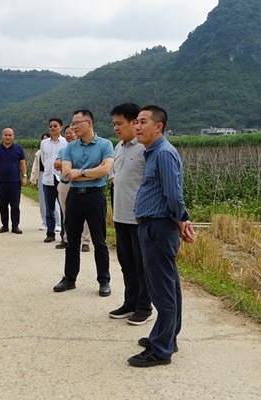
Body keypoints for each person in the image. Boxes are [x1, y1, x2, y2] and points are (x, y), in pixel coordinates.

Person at [128, 105, 195, 368]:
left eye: (143, 122)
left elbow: (173, 194)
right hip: (153, 225)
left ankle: (161, 348)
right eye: (136, 122)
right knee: (169, 286)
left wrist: (182, 218)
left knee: (162, 290)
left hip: (158, 227)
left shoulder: (164, 154)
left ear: (159, 126)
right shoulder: (153, 153)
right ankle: (167, 337)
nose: (137, 126)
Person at [53, 110, 114, 297]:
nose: (73, 127)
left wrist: (80, 173)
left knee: (99, 240)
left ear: (89, 123)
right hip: (74, 196)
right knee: (72, 239)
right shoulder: (70, 147)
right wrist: (87, 172)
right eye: (72, 124)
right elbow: (65, 172)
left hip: (95, 196)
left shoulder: (105, 144)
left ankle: (104, 281)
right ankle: (69, 278)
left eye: (77, 123)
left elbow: (105, 169)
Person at [106, 103, 152, 325]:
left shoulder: (144, 148)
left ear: (134, 123)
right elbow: (114, 174)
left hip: (139, 217)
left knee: (142, 264)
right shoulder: (118, 147)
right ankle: (130, 302)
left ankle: (144, 307)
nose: (116, 128)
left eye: (119, 123)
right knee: (126, 262)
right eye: (114, 124)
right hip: (120, 215)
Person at [54, 125, 91, 252]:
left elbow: (79, 167)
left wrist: (67, 166)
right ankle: (67, 239)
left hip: (80, 185)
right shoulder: (63, 150)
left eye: (72, 133)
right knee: (66, 213)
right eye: (67, 133)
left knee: (85, 214)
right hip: (64, 184)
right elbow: (57, 165)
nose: (69, 135)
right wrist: (69, 167)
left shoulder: (83, 149)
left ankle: (85, 241)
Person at [0, 128, 27, 234]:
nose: (8, 137)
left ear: (13, 136)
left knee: (15, 205)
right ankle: (4, 225)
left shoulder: (18, 148)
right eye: (6, 135)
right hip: (1, 181)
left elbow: (22, 163)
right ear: (2, 136)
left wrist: (24, 176)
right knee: (2, 205)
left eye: (10, 135)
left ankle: (15, 226)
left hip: (15, 181)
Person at [40, 118, 67, 243]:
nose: (52, 128)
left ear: (60, 127)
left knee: (62, 208)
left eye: (55, 126)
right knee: (49, 208)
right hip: (47, 179)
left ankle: (64, 234)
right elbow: (44, 160)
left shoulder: (65, 142)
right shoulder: (44, 143)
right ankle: (50, 233)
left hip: (61, 179)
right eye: (50, 126)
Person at [30, 133, 61, 230]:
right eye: (43, 139)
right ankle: (45, 222)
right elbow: (36, 166)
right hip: (44, 175)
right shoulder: (39, 153)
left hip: (57, 175)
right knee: (44, 201)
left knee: (56, 201)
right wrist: (33, 179)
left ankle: (58, 222)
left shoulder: (60, 148)